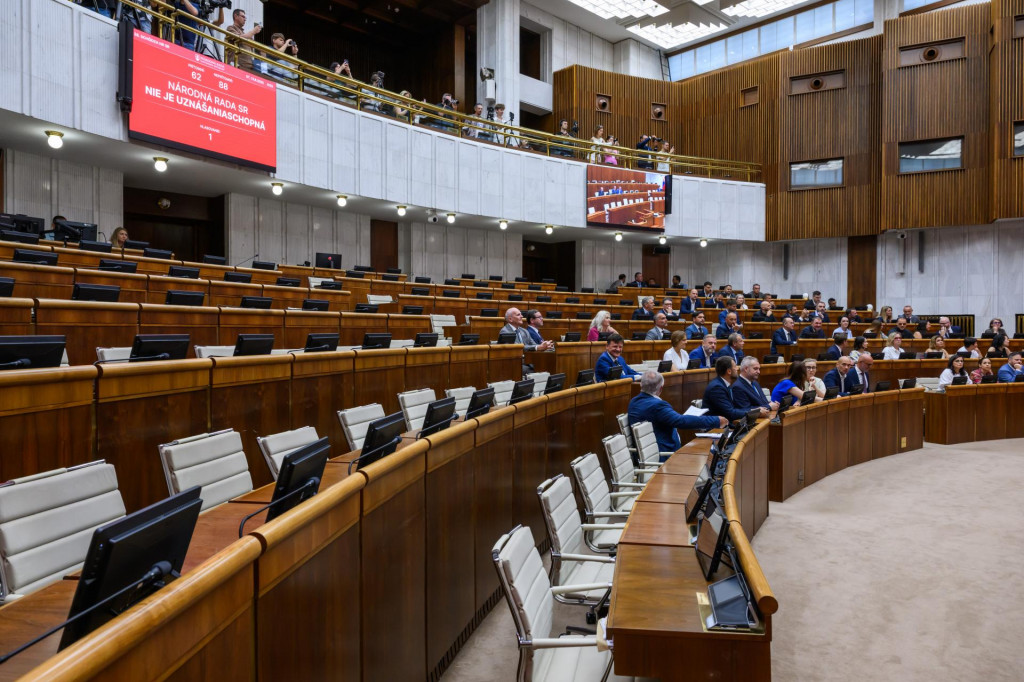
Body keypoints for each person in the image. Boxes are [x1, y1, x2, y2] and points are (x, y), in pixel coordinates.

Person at [628, 371, 726, 453]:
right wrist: (716, 420)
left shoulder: (634, 401)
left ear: (641, 384)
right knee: (712, 451)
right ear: (661, 388)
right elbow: (680, 421)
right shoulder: (658, 405)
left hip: (652, 451)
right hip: (664, 454)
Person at [702, 356, 751, 421]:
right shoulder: (717, 388)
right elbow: (730, 413)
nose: (737, 368)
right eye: (735, 366)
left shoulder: (724, 384)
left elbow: (733, 409)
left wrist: (753, 411)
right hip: (716, 427)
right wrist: (753, 413)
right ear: (729, 371)